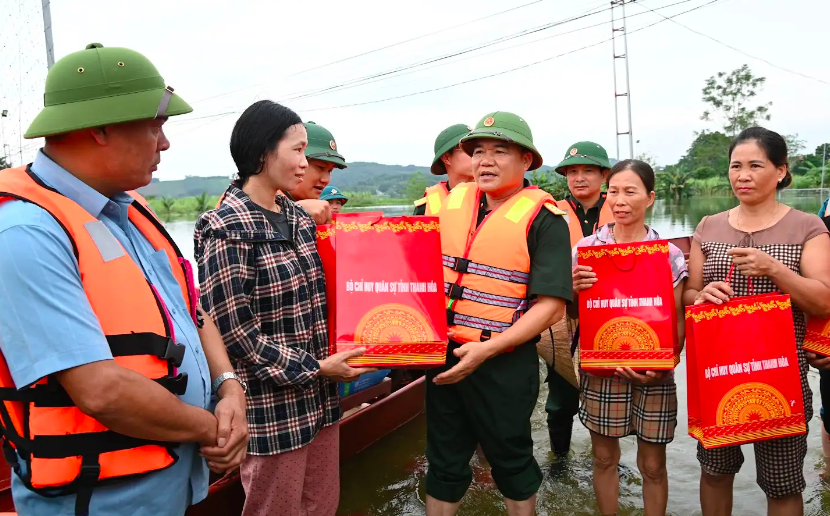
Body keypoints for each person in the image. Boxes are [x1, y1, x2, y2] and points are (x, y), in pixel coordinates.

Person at [0, 43, 248, 516]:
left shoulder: (130, 212)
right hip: (101, 501)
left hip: (169, 488)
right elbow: (100, 389)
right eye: (155, 126)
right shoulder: (26, 233)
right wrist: (209, 427)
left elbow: (193, 313)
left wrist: (229, 387)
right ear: (100, 128)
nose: (165, 142)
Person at [195, 100, 374, 516]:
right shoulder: (225, 228)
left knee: (322, 505)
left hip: (320, 402)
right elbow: (236, 333)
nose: (303, 162)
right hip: (271, 411)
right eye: (296, 150)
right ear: (262, 153)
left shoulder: (294, 217)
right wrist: (317, 367)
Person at [426, 111, 572, 516]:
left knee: (512, 462)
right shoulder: (451, 204)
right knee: (443, 463)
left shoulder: (545, 219)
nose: (484, 161)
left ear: (525, 160)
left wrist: (487, 352)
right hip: (444, 355)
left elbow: (551, 307)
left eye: (498, 151)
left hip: (503, 362)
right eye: (477, 152)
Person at [683, 127, 830, 516]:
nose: (742, 175)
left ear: (781, 171)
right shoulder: (709, 227)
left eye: (755, 166)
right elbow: (687, 292)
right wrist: (700, 295)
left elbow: (824, 300)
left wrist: (774, 269)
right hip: (719, 372)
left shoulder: (807, 227)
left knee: (782, 483)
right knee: (714, 470)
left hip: (782, 373)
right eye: (735, 166)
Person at [571, 159, 688, 516]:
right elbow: (575, 317)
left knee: (653, 464)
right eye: (614, 192)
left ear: (650, 198)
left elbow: (676, 317)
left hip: (654, 372)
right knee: (604, 458)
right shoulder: (587, 250)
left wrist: (668, 362)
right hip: (601, 369)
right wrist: (574, 290)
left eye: (630, 192)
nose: (619, 200)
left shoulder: (668, 255)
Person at [543, 141, 616, 457]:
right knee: (560, 400)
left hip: (612, 315)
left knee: (611, 397)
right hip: (563, 319)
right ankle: (560, 461)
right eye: (572, 171)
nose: (579, 177)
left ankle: (606, 461)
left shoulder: (623, 208)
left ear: (605, 175)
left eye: (588, 170)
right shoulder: (550, 215)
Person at [286, 120, 346, 225]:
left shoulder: (316, 214)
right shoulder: (263, 209)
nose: (326, 180)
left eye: (330, 171)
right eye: (320, 167)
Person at [414, 123, 474, 216]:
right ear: (446, 158)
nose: (477, 155)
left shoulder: (495, 199)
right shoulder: (426, 206)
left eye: (479, 149)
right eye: (467, 149)